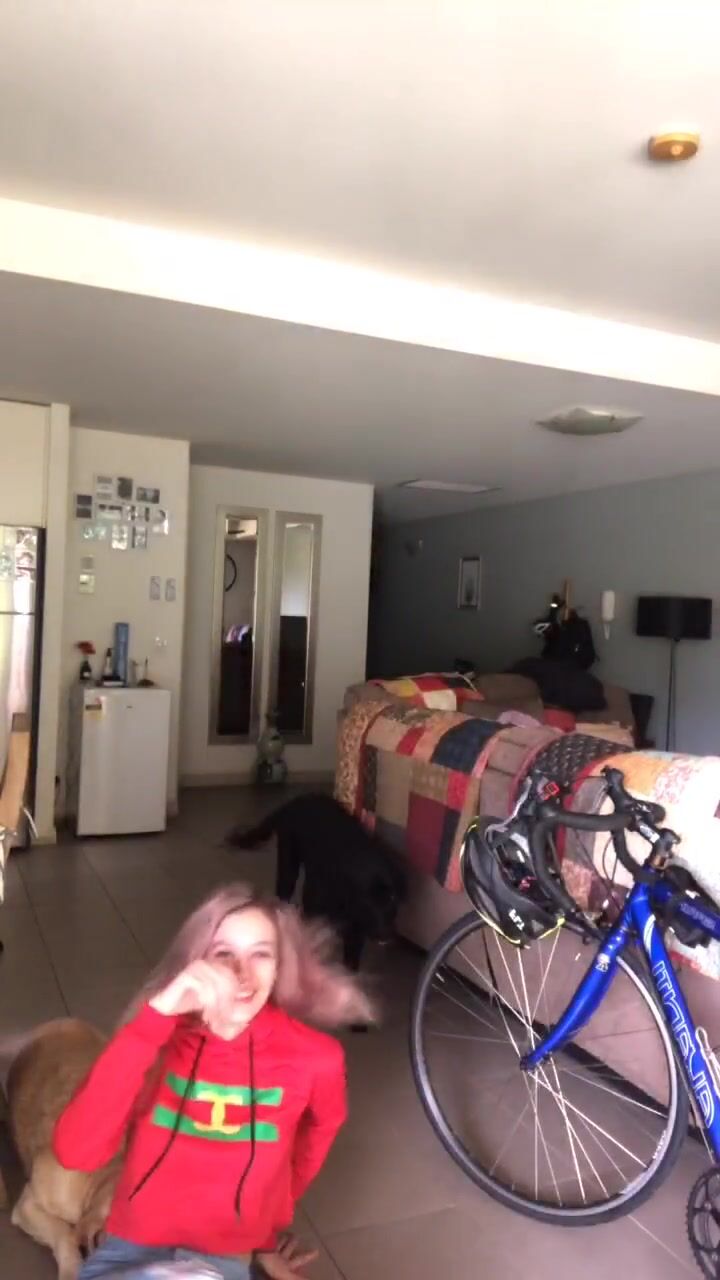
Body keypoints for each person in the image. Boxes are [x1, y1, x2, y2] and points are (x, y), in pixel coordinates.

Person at [52, 884, 374, 1280]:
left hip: (221, 1259)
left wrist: (264, 1229)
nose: (241, 973)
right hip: (124, 1251)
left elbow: (316, 1138)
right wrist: (155, 1018)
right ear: (197, 962)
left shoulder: (317, 1058)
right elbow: (75, 1153)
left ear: (280, 967)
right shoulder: (155, 1036)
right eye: (223, 954)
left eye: (261, 954)